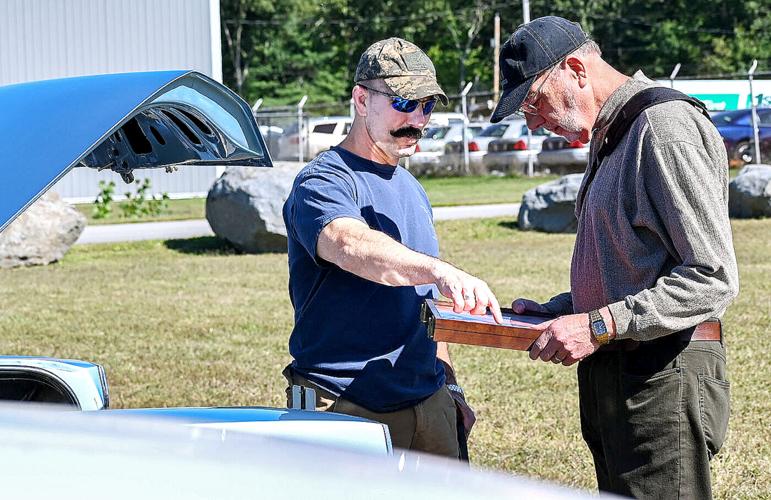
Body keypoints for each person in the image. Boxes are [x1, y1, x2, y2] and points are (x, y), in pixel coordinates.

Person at [491, 16, 739, 499]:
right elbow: (636, 263)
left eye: (533, 103)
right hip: (624, 370)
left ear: (576, 70)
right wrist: (568, 308)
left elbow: (712, 277)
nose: (536, 123)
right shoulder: (615, 133)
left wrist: (596, 325)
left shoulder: (664, 129)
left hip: (662, 374)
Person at [282, 37, 503, 458]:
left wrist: (451, 387)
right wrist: (440, 269)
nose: (417, 119)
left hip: (429, 399)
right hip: (344, 404)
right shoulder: (324, 181)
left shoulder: (412, 188)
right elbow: (348, 242)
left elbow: (429, 302)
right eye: (404, 102)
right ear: (361, 100)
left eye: (427, 106)